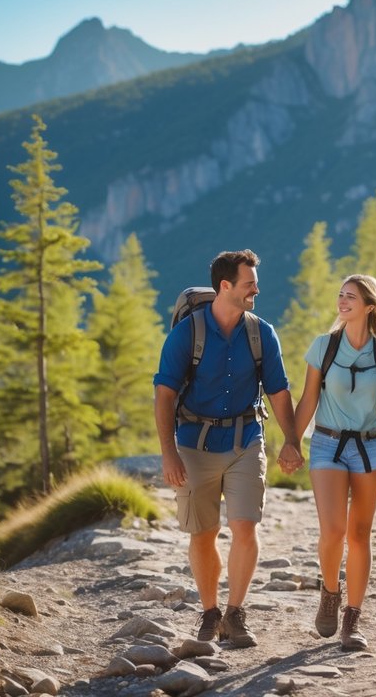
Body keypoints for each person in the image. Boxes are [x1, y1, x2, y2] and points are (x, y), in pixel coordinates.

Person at [154, 249, 303, 648]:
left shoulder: (261, 333)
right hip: (193, 446)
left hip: (245, 440)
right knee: (202, 533)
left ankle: (235, 614)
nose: (257, 288)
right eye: (249, 282)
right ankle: (209, 613)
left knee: (244, 526)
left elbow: (279, 391)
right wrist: (168, 453)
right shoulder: (188, 333)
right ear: (226, 286)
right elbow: (165, 394)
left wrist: (292, 440)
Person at [292, 274, 376, 651]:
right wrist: (292, 442)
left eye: (351, 297)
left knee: (359, 535)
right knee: (334, 531)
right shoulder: (324, 347)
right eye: (340, 295)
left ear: (370, 307)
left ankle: (352, 620)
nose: (342, 301)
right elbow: (308, 400)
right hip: (326, 445)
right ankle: (329, 591)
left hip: (373, 449)